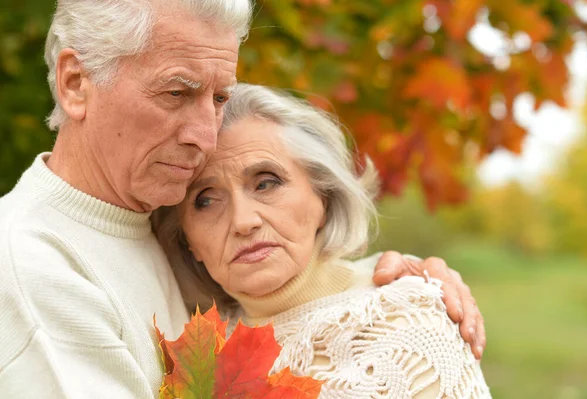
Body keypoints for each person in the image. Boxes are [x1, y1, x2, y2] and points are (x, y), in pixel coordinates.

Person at [0, 1, 484, 398]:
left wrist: (388, 282)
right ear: (75, 83)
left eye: (217, 98)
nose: (205, 136)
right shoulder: (32, 265)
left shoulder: (146, 216)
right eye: (175, 92)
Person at [153, 83, 491, 398]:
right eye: (206, 200)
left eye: (266, 183)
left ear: (324, 197)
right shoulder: (186, 345)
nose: (243, 221)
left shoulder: (408, 320)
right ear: (188, 240)